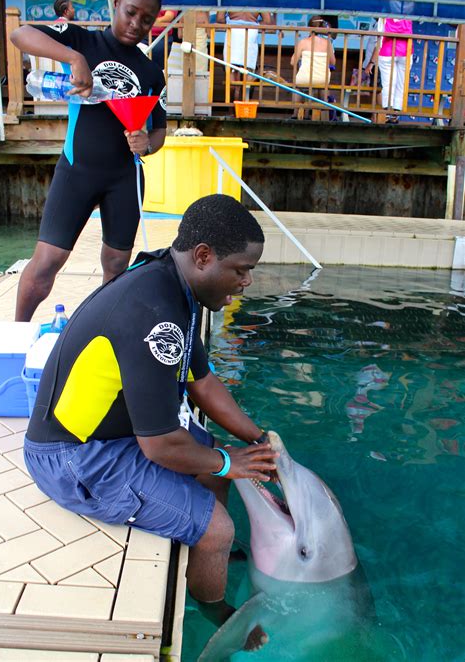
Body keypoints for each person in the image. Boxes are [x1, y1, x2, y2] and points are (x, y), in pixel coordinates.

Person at [23, 194, 277, 648]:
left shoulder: (176, 286)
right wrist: (227, 461)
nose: (247, 281)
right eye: (240, 269)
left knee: (214, 466)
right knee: (219, 527)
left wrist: (257, 441)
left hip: (114, 434)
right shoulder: (153, 314)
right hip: (72, 455)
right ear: (204, 256)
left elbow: (202, 382)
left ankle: (208, 559)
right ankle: (215, 611)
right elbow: (159, 446)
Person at [10, 0, 167, 322]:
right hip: (77, 170)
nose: (136, 24)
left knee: (115, 265)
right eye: (130, 12)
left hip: (125, 177)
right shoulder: (83, 41)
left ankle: (100, 330)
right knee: (47, 261)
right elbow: (19, 34)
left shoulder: (152, 72)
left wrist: (147, 144)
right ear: (115, 5)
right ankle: (18, 332)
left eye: (146, 19)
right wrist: (73, 58)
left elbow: (159, 132)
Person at [215, 10, 274, 101]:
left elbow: (219, 18)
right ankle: (245, 105)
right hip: (250, 32)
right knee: (248, 72)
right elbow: (267, 21)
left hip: (233, 32)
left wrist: (231, 20)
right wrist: (254, 24)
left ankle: (232, 107)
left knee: (231, 70)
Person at [365, 14, 413, 123]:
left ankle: (387, 110)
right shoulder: (409, 15)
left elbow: (380, 39)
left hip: (387, 51)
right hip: (405, 51)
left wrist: (372, 62)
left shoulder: (384, 17)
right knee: (401, 84)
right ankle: (396, 112)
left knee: (387, 83)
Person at [290, 16, 336, 119]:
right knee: (323, 86)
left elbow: (293, 62)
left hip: (305, 78)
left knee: (297, 86)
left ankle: (295, 113)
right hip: (322, 79)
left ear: (309, 28)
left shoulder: (303, 42)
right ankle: (325, 113)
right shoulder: (327, 43)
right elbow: (333, 62)